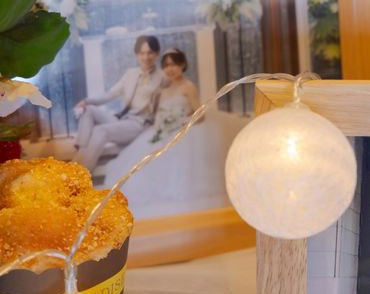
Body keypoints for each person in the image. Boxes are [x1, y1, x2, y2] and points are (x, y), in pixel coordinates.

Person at [104, 48, 248, 219]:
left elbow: (200, 114)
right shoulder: (164, 90)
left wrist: (181, 123)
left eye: (173, 64)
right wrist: (162, 126)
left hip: (185, 128)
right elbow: (160, 115)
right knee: (144, 154)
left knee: (176, 151)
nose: (170, 69)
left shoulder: (188, 86)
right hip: (165, 130)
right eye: (166, 65)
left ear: (182, 65)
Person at [74, 35, 163, 172]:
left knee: (100, 130)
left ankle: (82, 173)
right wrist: (86, 101)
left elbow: (171, 101)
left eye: (150, 53)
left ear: (157, 53)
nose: (146, 57)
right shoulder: (130, 74)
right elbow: (109, 95)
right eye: (142, 53)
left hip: (139, 125)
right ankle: (80, 154)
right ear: (137, 54)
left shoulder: (162, 77)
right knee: (89, 109)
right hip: (123, 120)